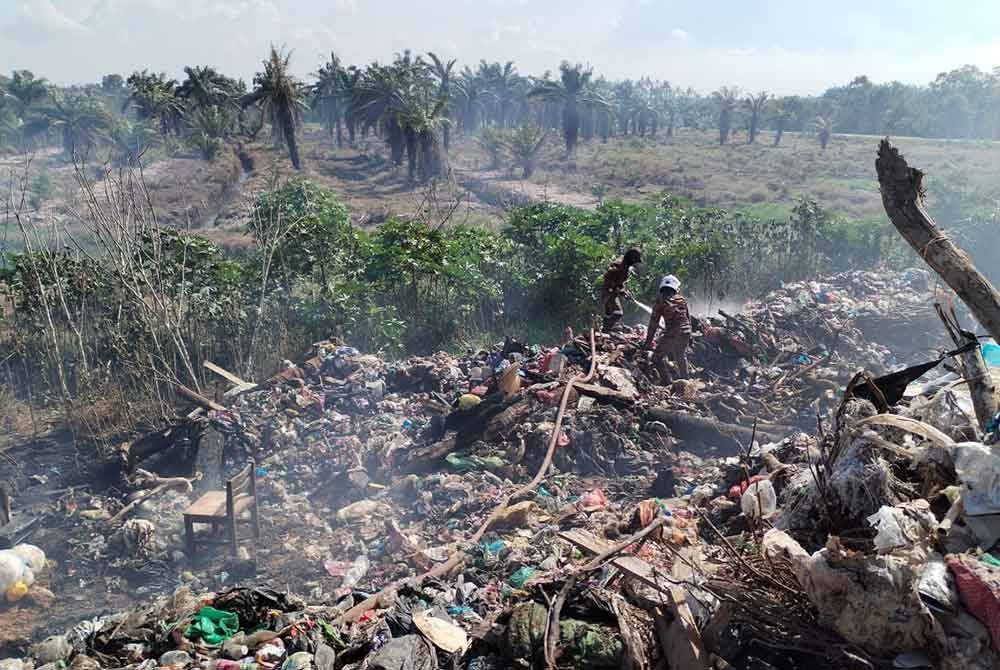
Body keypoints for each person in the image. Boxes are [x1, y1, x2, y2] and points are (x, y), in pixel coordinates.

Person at [643, 274, 691, 380]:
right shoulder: (681, 299)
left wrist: (648, 342)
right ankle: (686, 381)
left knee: (656, 358)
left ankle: (667, 382)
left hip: (673, 333)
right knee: (680, 355)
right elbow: (688, 318)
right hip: (686, 331)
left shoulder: (660, 300)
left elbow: (653, 323)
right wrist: (689, 335)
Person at [600, 248, 642, 332]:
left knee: (610, 315)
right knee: (618, 313)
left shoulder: (625, 265)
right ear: (631, 258)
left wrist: (624, 290)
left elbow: (619, 282)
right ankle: (605, 330)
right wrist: (617, 290)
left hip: (612, 293)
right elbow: (609, 278)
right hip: (609, 293)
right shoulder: (619, 265)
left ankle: (605, 331)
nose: (635, 263)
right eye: (635, 260)